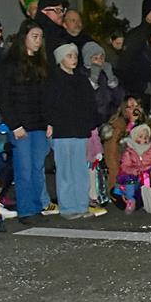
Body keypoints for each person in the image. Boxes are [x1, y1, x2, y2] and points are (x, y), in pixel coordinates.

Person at [1, 20, 53, 224]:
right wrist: (15, 125)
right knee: (24, 169)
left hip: (39, 124)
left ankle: (36, 206)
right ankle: (26, 210)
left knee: (37, 168)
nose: (38, 41)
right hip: (21, 125)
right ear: (24, 38)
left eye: (40, 37)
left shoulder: (41, 64)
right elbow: (5, 99)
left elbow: (46, 97)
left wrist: (49, 121)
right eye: (34, 36)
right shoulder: (11, 64)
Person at [44, 43, 101, 219]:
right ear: (61, 59)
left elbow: (90, 103)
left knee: (80, 169)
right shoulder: (53, 79)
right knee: (65, 170)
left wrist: (90, 124)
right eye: (69, 56)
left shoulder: (81, 79)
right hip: (62, 131)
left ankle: (82, 204)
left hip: (79, 129)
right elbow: (48, 104)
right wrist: (50, 123)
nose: (74, 60)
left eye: (75, 56)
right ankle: (68, 207)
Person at [116, 122, 151, 214]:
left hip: (148, 173)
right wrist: (132, 170)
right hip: (135, 174)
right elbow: (125, 165)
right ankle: (131, 200)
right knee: (129, 181)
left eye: (146, 137)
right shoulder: (129, 151)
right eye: (140, 137)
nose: (144, 140)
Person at [83, 41, 125, 125]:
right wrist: (93, 79)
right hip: (91, 120)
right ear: (88, 59)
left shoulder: (105, 73)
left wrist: (111, 79)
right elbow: (86, 99)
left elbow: (120, 97)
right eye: (95, 58)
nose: (100, 61)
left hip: (110, 118)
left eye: (102, 57)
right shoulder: (81, 74)